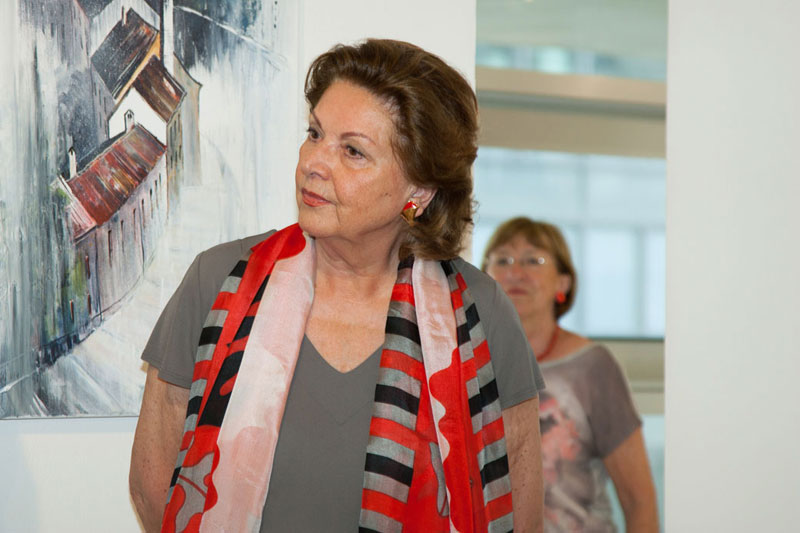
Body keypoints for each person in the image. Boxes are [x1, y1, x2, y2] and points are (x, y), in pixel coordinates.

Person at [130, 39, 545, 532]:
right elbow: (154, 484)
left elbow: (519, 507)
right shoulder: (217, 282)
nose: (313, 162)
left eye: (352, 151)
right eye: (315, 133)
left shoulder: (480, 312)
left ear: (418, 191)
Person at [482, 217, 658, 533]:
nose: (516, 272)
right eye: (503, 260)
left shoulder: (593, 367)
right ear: (484, 279)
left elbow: (639, 501)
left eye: (533, 260)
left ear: (562, 283)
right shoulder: (468, 365)